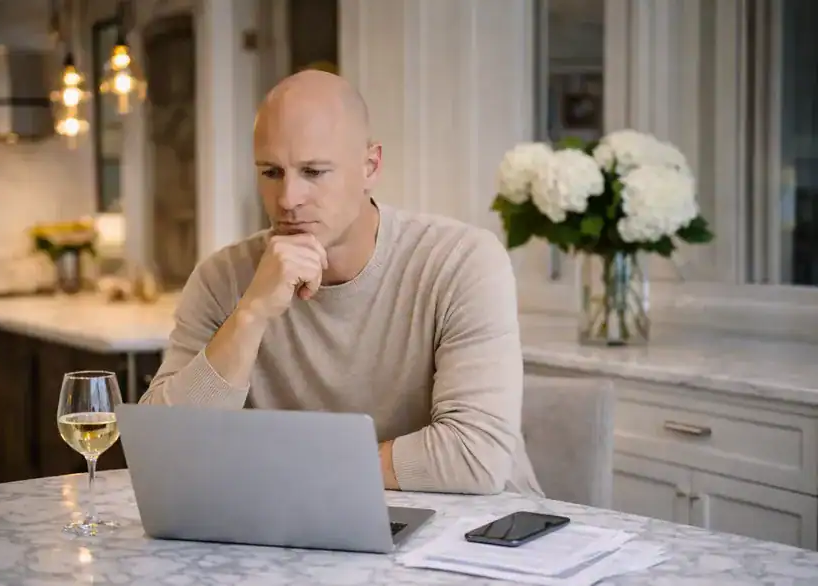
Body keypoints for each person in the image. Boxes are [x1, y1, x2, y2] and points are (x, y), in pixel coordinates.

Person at [140, 70, 542, 496]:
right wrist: (251, 314)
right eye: (271, 172)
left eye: (313, 172)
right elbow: (160, 450)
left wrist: (297, 468)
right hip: (316, 525)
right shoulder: (222, 279)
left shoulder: (462, 261)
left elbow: (473, 456)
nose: (288, 199)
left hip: (484, 527)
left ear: (370, 167)